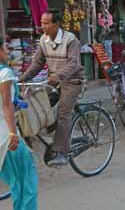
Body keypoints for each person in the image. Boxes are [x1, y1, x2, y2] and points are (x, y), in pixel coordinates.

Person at [19, 9, 84, 167]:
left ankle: (61, 152)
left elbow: (74, 63)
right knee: (37, 103)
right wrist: (22, 79)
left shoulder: (71, 40)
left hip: (73, 81)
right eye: (42, 23)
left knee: (63, 113)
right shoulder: (43, 40)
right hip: (54, 81)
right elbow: (37, 63)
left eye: (47, 23)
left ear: (56, 24)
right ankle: (60, 135)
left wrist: (59, 75)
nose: (43, 26)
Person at [0, 38, 38, 209]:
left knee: (16, 180)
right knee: (25, 182)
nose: (7, 51)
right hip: (5, 133)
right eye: (5, 48)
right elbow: (6, 104)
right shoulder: (5, 73)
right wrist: (13, 133)